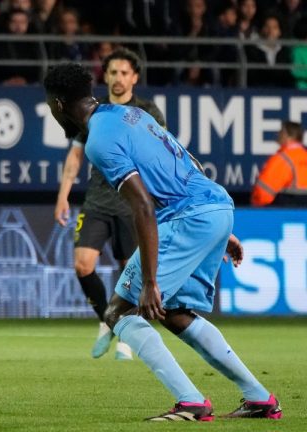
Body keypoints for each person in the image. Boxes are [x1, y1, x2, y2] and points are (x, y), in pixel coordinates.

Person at [43, 62, 282, 421]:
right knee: (174, 313)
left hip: (186, 217)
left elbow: (142, 205)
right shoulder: (130, 114)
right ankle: (259, 398)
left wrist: (151, 281)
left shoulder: (98, 140)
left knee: (119, 311)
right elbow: (185, 160)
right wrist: (220, 228)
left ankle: (191, 402)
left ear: (58, 104)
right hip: (214, 205)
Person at [54, 48, 165, 361]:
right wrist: (63, 194)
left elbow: (160, 154)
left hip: (133, 203)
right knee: (82, 263)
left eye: (124, 73)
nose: (118, 78)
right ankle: (107, 319)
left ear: (135, 77)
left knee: (128, 271)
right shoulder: (93, 112)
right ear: (106, 76)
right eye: (113, 72)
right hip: (98, 199)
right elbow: (76, 155)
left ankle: (127, 337)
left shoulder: (147, 111)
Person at [251, 120, 307, 206]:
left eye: (280, 131)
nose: (277, 135)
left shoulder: (282, 159)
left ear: (286, 135)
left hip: (287, 214)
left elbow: (262, 194)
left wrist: (256, 208)